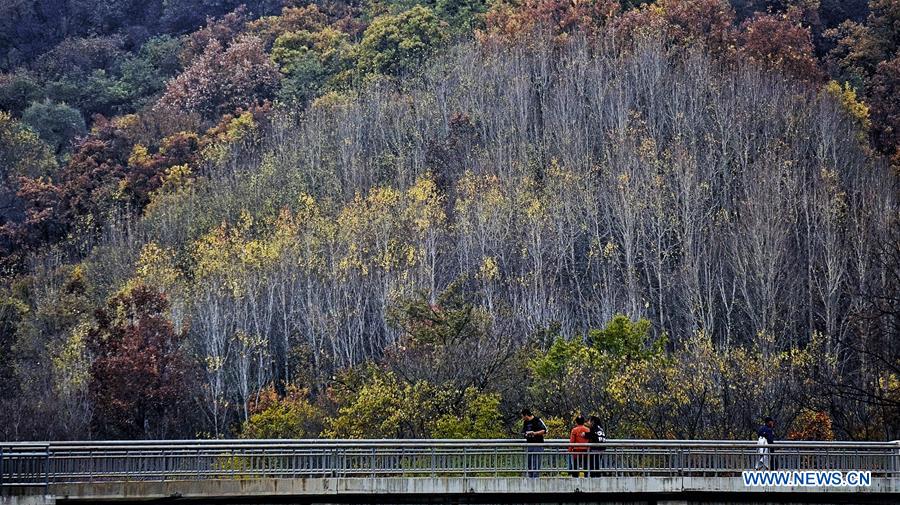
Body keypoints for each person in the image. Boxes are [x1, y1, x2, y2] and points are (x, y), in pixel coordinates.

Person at [521, 408, 547, 478]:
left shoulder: (537, 420)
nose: (522, 418)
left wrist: (534, 433)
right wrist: (526, 434)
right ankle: (530, 478)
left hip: (538, 445)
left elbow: (544, 430)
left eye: (523, 416)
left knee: (536, 464)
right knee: (530, 464)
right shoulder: (525, 422)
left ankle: (535, 479)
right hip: (529, 445)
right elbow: (523, 432)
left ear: (526, 415)